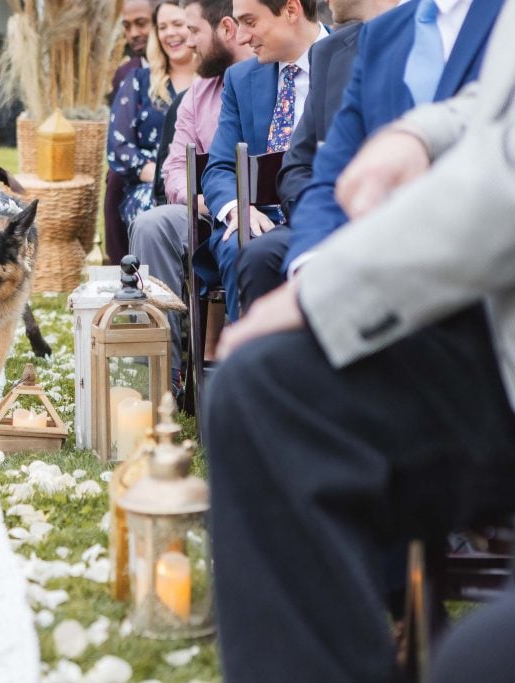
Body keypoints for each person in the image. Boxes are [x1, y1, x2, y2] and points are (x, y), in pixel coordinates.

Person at [203, 0, 515, 675]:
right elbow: (322, 173)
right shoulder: (378, 40)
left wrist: (327, 293)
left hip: (487, 324)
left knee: (470, 662)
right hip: (438, 346)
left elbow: (500, 181)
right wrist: (420, 136)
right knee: (257, 387)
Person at [235, 0, 499, 313]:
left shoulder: (483, 24)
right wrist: (326, 226)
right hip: (339, 218)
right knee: (261, 256)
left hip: (448, 219)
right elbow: (300, 166)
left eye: (248, 21)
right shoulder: (331, 53)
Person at [126, 0, 254, 388]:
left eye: (195, 31)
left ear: (226, 30)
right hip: (203, 212)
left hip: (260, 215)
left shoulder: (269, 79)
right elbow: (173, 169)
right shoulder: (199, 93)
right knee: (151, 225)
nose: (188, 43)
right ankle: (165, 375)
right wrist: (200, 199)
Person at [195, 0, 326, 321]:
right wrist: (236, 209)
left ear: (291, 10)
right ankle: (255, 362)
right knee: (242, 248)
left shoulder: (352, 59)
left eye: (249, 21)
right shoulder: (240, 79)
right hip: (256, 222)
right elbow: (219, 168)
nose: (240, 37)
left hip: (325, 213)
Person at [107, 0, 196, 232]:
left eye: (178, 24)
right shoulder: (138, 80)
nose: (170, 34)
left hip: (205, 185)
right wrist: (163, 178)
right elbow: (119, 146)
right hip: (149, 187)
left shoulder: (215, 83)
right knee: (155, 216)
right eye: (162, 27)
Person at [103, 0, 154, 266]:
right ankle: (120, 265)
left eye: (141, 23)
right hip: (137, 164)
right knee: (115, 178)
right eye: (127, 26)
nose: (133, 33)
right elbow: (120, 138)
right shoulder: (126, 73)